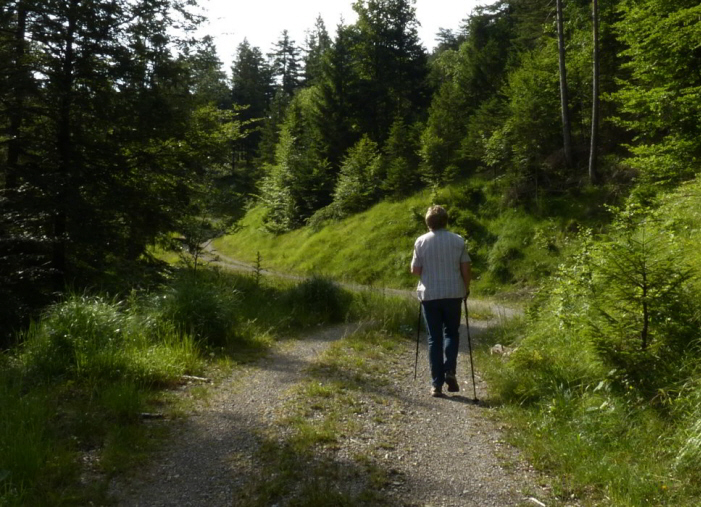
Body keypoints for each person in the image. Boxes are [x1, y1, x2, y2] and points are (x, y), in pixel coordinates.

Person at [410, 205, 471, 397]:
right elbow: (465, 268)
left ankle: (436, 384)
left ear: (428, 222)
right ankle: (450, 371)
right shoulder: (458, 240)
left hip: (430, 295)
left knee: (434, 338)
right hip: (453, 293)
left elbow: (415, 270)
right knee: (451, 333)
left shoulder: (421, 241)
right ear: (446, 221)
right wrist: (466, 288)